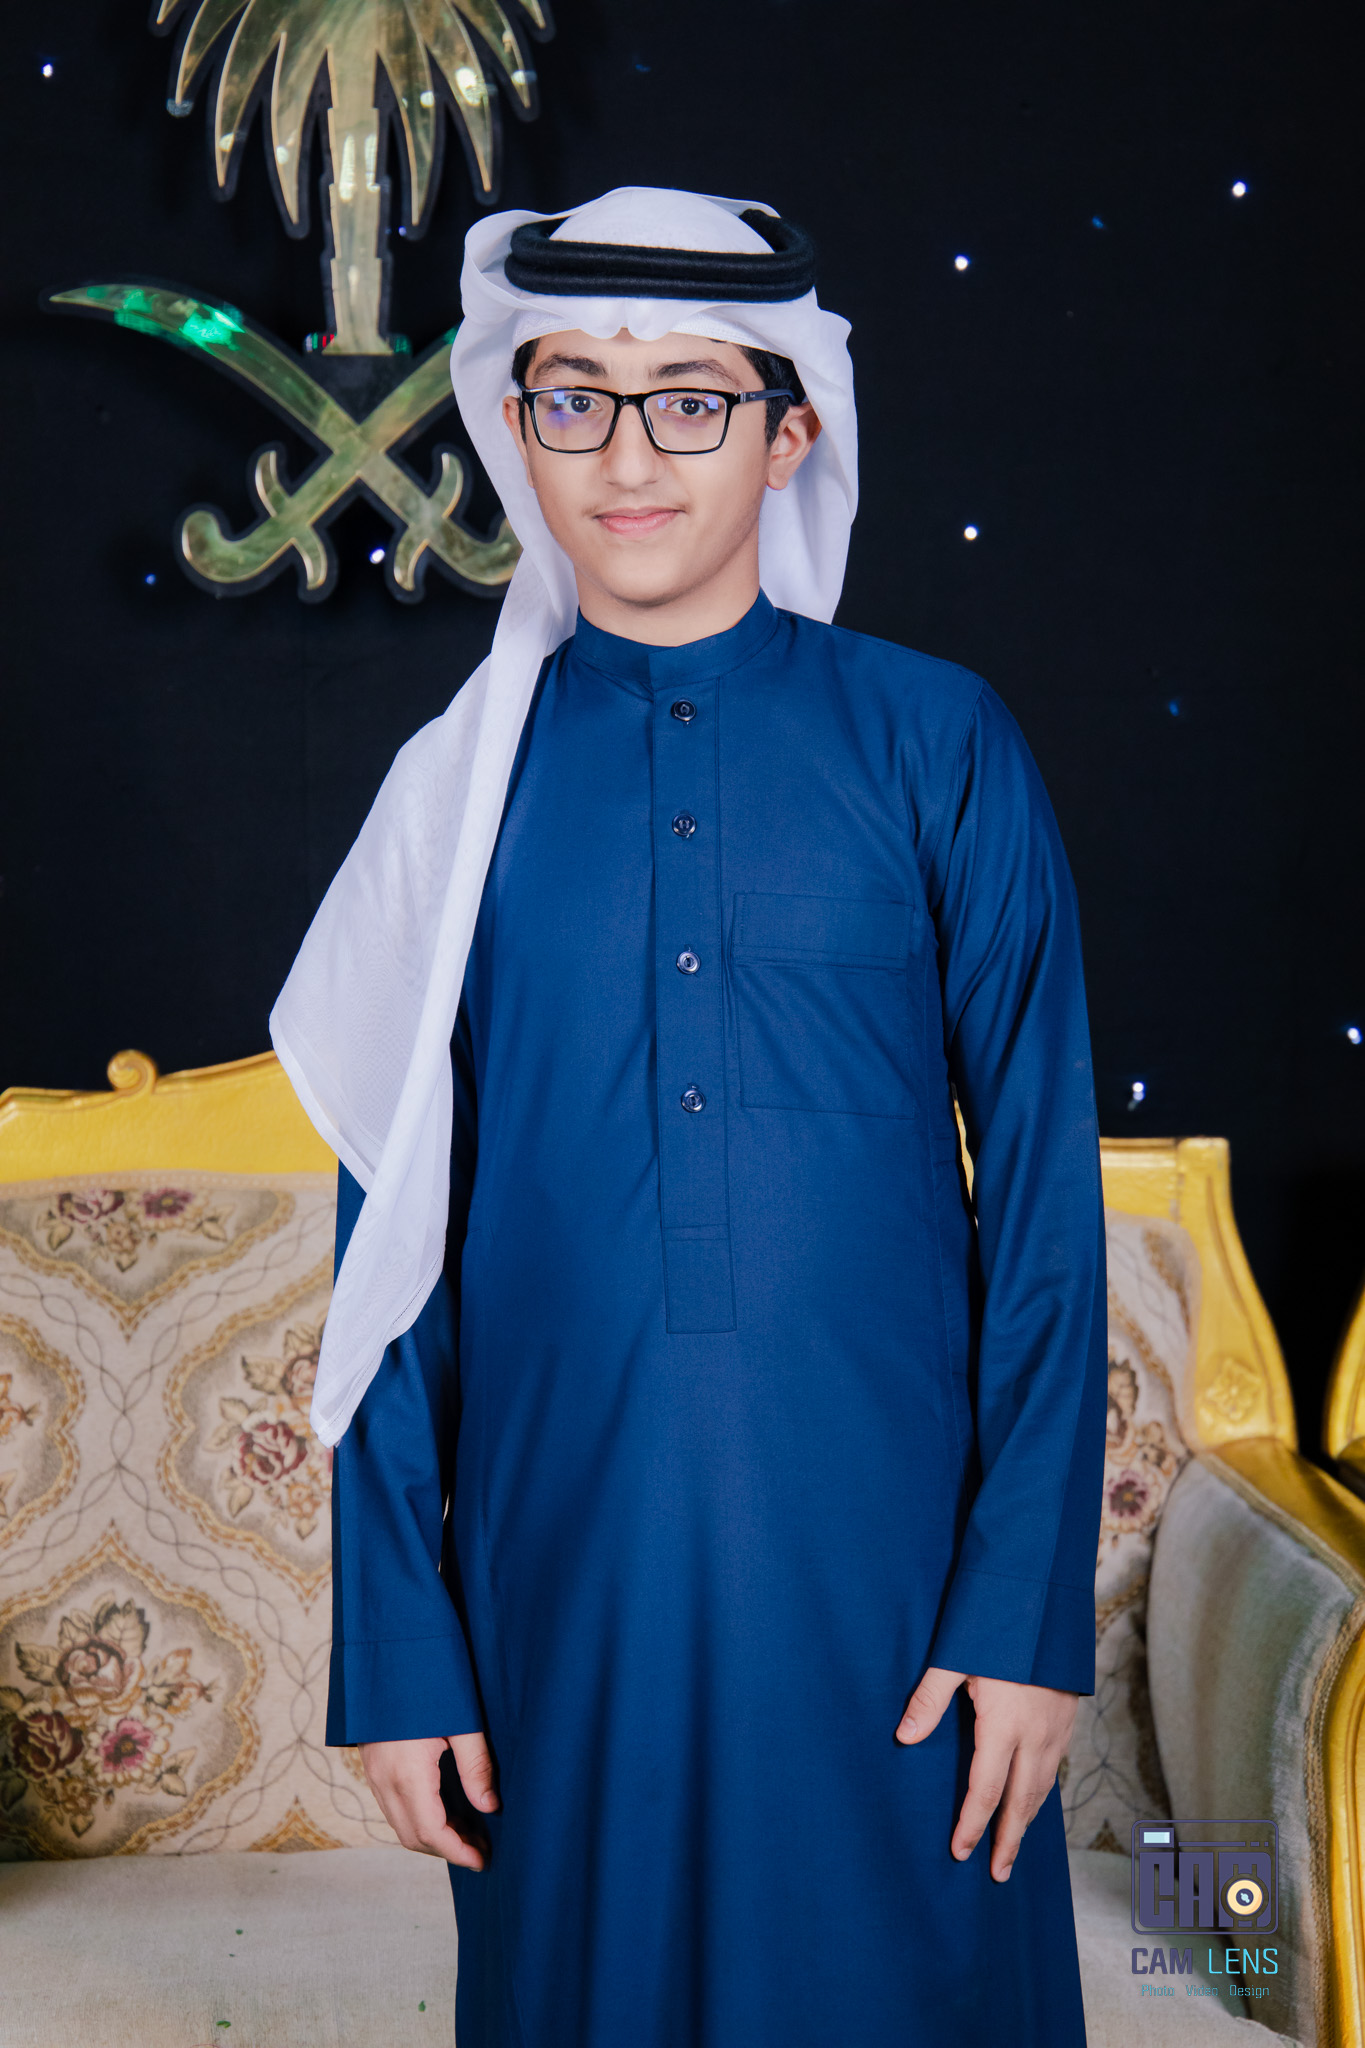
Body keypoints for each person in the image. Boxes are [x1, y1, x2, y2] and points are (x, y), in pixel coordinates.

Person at [272, 186, 1108, 2047]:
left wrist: (1020, 1616)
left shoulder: (937, 741)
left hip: (895, 1589)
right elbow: (383, 1258)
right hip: (560, 1581)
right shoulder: (451, 794)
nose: (627, 458)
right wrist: (397, 1646)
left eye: (689, 402)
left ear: (788, 433)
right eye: (574, 399)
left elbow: (1045, 1215)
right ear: (516, 428)